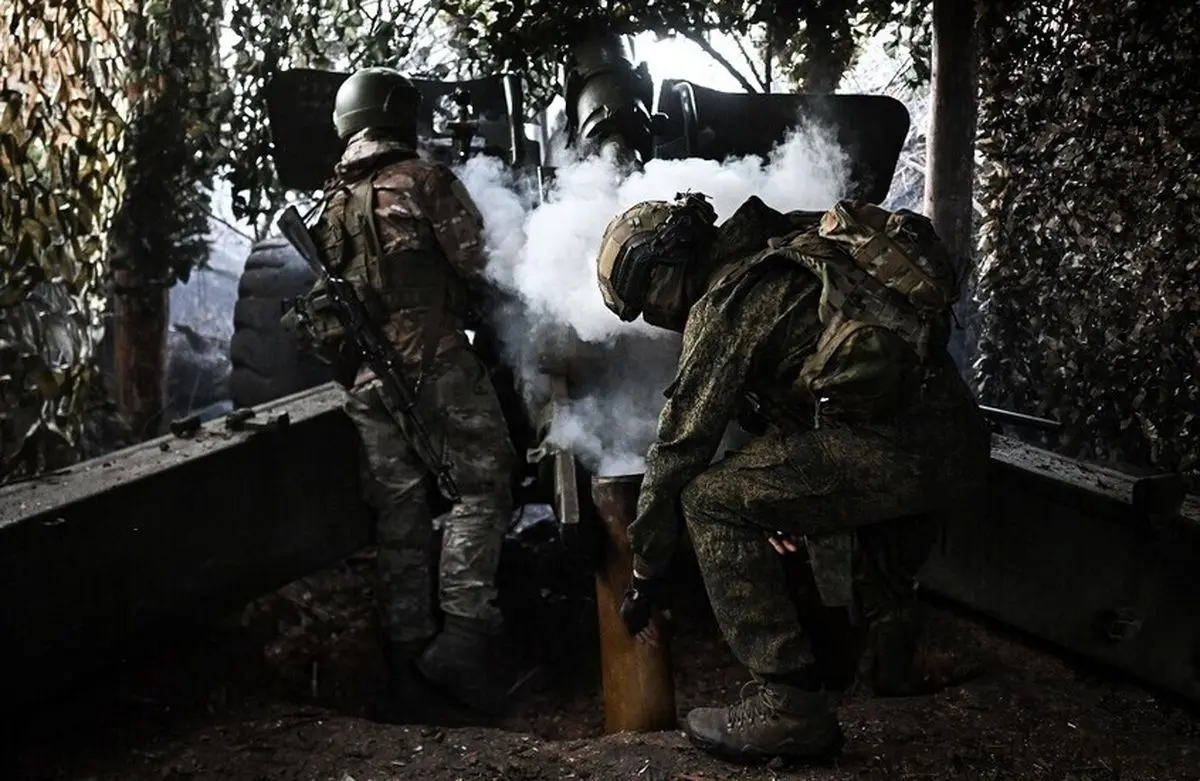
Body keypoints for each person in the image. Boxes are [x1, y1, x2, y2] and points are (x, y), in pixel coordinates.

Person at [594, 192, 991, 763]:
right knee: (824, 492)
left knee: (710, 502)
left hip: (906, 455)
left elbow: (679, 449)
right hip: (954, 438)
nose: (656, 321)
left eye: (644, 304)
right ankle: (895, 662)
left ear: (659, 274)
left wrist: (646, 571)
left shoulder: (726, 304)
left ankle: (791, 707)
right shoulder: (786, 240)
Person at [281, 67, 516, 719]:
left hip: (366, 376)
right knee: (483, 483)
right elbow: (480, 262)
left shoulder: (330, 204)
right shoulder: (423, 181)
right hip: (433, 358)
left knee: (401, 515)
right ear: (399, 116)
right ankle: (463, 643)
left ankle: (408, 667)